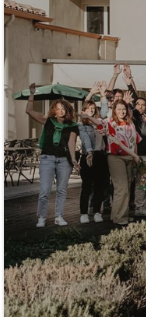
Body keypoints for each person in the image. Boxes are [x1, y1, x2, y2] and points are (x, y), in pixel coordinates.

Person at [26, 84, 80, 227]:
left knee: (62, 190)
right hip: (47, 158)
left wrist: (73, 159)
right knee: (44, 190)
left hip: (64, 160)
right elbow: (29, 111)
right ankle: (42, 217)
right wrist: (32, 94)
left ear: (67, 110)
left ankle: (59, 216)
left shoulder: (73, 125)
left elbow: (71, 143)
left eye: (63, 108)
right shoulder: (48, 120)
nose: (61, 111)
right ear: (54, 110)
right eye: (58, 108)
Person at [105, 99, 142, 226]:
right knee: (121, 187)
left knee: (127, 187)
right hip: (116, 157)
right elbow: (98, 122)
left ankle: (119, 214)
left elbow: (135, 141)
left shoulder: (130, 123)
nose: (122, 111)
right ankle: (119, 218)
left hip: (130, 157)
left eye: (123, 109)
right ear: (114, 110)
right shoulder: (110, 122)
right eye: (119, 109)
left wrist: (135, 156)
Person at [77, 97, 108, 224]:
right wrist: (89, 152)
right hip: (88, 155)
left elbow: (104, 113)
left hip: (100, 156)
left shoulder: (99, 122)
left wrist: (103, 95)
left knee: (99, 186)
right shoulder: (81, 125)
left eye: (93, 109)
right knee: (86, 186)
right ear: (84, 110)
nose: (91, 111)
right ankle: (84, 213)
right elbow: (85, 138)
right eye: (88, 109)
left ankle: (97, 212)